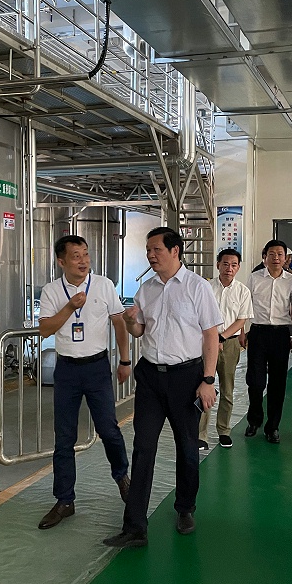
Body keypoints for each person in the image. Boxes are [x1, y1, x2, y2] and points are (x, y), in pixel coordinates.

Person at [104, 227, 222, 548]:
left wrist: (208, 380)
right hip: (151, 378)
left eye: (156, 249)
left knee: (187, 446)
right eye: (148, 250)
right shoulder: (146, 289)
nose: (150, 255)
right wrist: (131, 321)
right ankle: (135, 527)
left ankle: (185, 508)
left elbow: (210, 335)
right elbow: (140, 331)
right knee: (143, 447)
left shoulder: (197, 287)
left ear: (175, 251)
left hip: (187, 377)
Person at [37, 235, 132, 529]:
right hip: (67, 370)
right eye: (76, 256)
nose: (83, 261)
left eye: (86, 254)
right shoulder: (52, 291)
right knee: (64, 437)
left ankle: (123, 478)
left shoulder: (103, 285)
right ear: (61, 261)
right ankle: (65, 500)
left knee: (109, 429)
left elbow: (119, 322)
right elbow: (44, 330)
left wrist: (125, 360)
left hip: (97, 368)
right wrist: (69, 307)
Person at [198, 248, 254, 451]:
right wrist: (213, 338)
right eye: (225, 264)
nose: (229, 268)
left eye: (233, 265)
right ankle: (201, 434)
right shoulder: (205, 287)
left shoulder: (243, 291)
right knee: (204, 386)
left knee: (227, 389)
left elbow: (241, 319)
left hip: (229, 343)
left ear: (238, 268)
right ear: (218, 265)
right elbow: (200, 315)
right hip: (206, 342)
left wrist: (221, 337)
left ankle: (223, 431)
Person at [245, 239, 292, 444]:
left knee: (278, 383)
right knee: (255, 382)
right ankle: (254, 420)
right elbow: (244, 306)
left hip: (280, 335)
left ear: (286, 258)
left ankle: (273, 427)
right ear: (264, 257)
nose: (276, 258)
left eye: (280, 254)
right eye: (272, 254)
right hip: (258, 333)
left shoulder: (291, 281)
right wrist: (243, 331)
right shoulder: (254, 278)